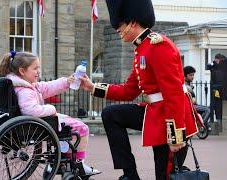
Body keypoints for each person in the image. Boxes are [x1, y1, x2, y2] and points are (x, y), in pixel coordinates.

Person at [80, 0, 202, 179]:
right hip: (155, 114)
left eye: (120, 25)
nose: (117, 29)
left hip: (172, 119)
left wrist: (176, 136)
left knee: (165, 176)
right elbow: (129, 91)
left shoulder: (159, 46)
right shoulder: (141, 50)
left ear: (133, 23)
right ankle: (130, 175)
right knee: (111, 114)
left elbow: (174, 93)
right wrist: (93, 87)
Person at [0, 51, 100, 175]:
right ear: (22, 71)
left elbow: (46, 87)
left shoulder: (23, 85)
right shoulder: (24, 90)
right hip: (39, 122)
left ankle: (57, 163)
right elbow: (30, 110)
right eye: (35, 68)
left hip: (36, 121)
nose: (38, 71)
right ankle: (79, 163)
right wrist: (51, 109)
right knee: (82, 128)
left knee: (68, 125)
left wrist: (66, 82)